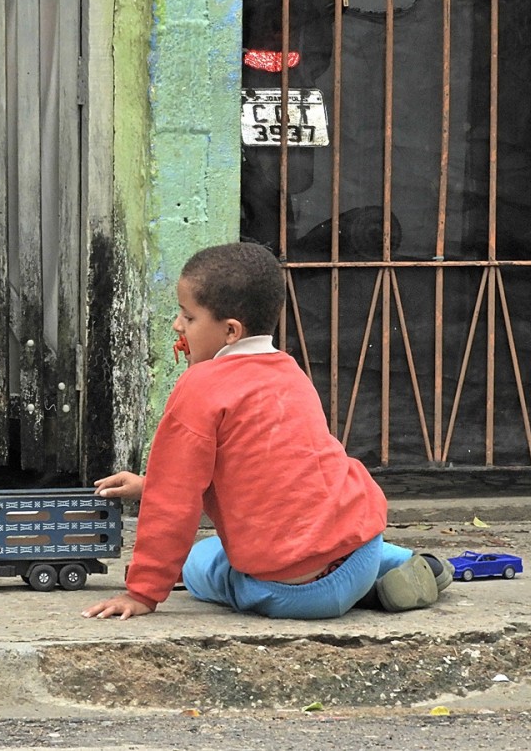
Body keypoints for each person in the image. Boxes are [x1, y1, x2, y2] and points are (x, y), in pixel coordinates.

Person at [82, 242, 450, 621]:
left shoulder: (199, 386)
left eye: (188, 317)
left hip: (297, 594)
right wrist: (150, 484)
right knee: (324, 523)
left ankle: (364, 594)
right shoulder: (289, 370)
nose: (178, 325)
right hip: (361, 549)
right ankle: (404, 563)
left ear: (230, 331)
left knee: (201, 562)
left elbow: (173, 503)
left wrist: (143, 592)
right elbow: (273, 473)